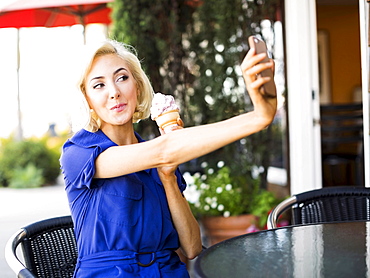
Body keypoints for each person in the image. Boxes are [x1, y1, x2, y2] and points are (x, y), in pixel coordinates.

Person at [60, 39, 276, 278]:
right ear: (86, 99)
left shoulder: (161, 158)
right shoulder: (78, 153)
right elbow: (164, 150)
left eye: (122, 78)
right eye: (98, 85)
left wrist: (168, 177)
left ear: (138, 86)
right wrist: (259, 118)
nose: (114, 92)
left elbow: (192, 247)